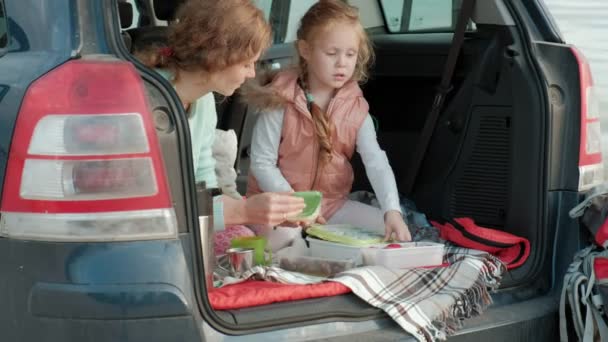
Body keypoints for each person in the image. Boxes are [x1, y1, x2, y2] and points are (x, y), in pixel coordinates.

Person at [138, 0, 305, 248]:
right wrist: (244, 211)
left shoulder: (203, 101)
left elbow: (205, 182)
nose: (251, 74)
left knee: (254, 242)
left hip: (183, 220)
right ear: (219, 56)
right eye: (247, 64)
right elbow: (154, 208)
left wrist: (256, 213)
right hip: (150, 231)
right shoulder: (145, 100)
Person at [245, 0, 411, 241]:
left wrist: (391, 210)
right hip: (280, 206)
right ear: (305, 50)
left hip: (331, 206)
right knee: (286, 239)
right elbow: (261, 163)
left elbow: (376, 162)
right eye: (331, 53)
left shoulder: (355, 108)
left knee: (389, 229)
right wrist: (297, 206)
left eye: (350, 54)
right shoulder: (280, 99)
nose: (342, 62)